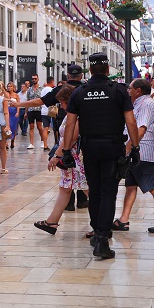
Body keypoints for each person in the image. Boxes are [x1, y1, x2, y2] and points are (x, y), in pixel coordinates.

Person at [60, 52, 140, 261]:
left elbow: (70, 124)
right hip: (112, 146)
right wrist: (136, 147)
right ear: (107, 69)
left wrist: (67, 151)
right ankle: (103, 238)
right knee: (108, 191)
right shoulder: (119, 91)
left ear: (90, 70)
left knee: (94, 190)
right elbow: (131, 122)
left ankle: (97, 232)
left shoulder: (80, 92)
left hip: (90, 147)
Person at [114, 79, 154, 233]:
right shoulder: (138, 104)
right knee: (131, 186)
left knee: (153, 187)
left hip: (142, 152)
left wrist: (128, 150)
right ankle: (123, 220)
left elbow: (140, 130)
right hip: (137, 152)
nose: (128, 91)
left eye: (130, 88)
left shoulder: (146, 104)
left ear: (138, 90)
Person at [33, 84, 87, 235]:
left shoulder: (76, 115)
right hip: (71, 157)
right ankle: (52, 221)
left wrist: (57, 155)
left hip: (75, 157)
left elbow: (71, 137)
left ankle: (102, 222)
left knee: (87, 188)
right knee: (65, 188)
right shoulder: (72, 114)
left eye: (62, 102)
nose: (61, 106)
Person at [25, 75, 48, 151]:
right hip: (31, 110)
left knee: (39, 126)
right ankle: (31, 143)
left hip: (39, 109)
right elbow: (27, 101)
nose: (34, 80)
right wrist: (26, 111)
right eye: (33, 79)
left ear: (38, 79)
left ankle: (42, 140)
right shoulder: (29, 90)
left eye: (35, 79)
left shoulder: (42, 89)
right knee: (31, 126)